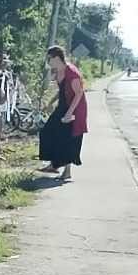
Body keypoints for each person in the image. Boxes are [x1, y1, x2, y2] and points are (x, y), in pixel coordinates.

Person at [39, 45, 88, 180]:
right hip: (63, 105)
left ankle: (67, 171)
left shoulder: (72, 73)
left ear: (56, 57)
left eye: (49, 58)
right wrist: (50, 102)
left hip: (74, 108)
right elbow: (61, 91)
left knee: (67, 138)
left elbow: (79, 94)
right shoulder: (58, 71)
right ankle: (54, 164)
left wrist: (69, 113)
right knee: (48, 131)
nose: (48, 61)